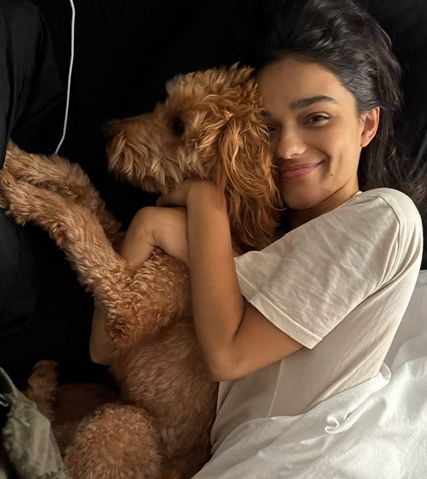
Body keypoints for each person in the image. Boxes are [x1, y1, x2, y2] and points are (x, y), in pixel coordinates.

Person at [91, 0, 424, 434]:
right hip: (216, 470)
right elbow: (102, 348)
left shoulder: (385, 218)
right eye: (268, 128)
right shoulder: (256, 247)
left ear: (366, 125)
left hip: (285, 474)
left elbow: (228, 355)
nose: (286, 148)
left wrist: (204, 202)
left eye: (316, 118)